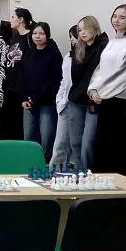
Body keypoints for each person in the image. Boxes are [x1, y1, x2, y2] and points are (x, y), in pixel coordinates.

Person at [89, 4, 126, 174]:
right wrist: (93, 90)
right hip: (105, 100)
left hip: (121, 101)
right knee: (102, 144)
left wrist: (104, 90)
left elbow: (124, 74)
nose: (117, 20)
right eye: (115, 16)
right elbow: (100, 70)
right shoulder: (111, 41)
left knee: (118, 146)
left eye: (122, 17)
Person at [65, 16, 108, 171]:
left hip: (93, 100)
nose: (82, 33)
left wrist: (95, 94)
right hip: (76, 99)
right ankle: (77, 170)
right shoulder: (79, 48)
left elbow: (102, 75)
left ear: (94, 28)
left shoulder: (104, 46)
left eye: (85, 29)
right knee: (75, 140)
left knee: (88, 141)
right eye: (79, 30)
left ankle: (85, 171)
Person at [18, 21, 62, 161]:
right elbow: (22, 77)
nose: (37, 36)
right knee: (29, 136)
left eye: (41, 33)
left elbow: (54, 80)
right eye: (35, 33)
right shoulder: (28, 53)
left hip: (47, 102)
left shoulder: (54, 54)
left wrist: (37, 98)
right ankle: (28, 162)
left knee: (47, 136)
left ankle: (45, 164)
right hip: (29, 102)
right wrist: (24, 98)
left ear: (47, 35)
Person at [0, 8, 35, 140]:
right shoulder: (14, 36)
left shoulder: (30, 37)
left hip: (22, 84)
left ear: (21, 19)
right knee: (9, 119)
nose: (11, 20)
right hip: (10, 83)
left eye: (13, 17)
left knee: (20, 122)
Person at [48, 25, 78, 168]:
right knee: (60, 143)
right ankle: (53, 171)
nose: (72, 40)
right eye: (71, 37)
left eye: (75, 36)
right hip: (65, 103)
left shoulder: (90, 55)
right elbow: (64, 80)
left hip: (80, 103)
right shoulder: (68, 57)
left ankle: (74, 171)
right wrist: (59, 99)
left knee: (76, 144)